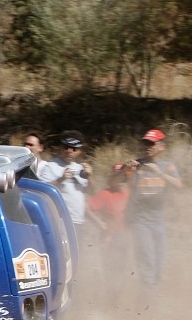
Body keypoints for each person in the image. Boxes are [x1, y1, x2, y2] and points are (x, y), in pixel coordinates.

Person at [124, 128, 183, 288]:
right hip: (140, 222)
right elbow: (115, 182)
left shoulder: (168, 166)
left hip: (159, 222)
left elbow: (179, 185)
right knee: (147, 265)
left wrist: (159, 173)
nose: (147, 147)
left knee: (158, 268)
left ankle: (148, 297)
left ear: (161, 146)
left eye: (151, 143)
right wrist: (126, 170)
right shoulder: (136, 165)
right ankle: (149, 302)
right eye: (145, 143)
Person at [88, 163, 132, 299]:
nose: (121, 179)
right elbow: (87, 209)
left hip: (124, 236)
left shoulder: (128, 193)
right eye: (118, 176)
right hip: (109, 237)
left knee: (123, 268)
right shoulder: (105, 194)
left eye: (124, 177)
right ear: (112, 178)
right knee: (110, 268)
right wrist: (100, 223)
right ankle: (110, 300)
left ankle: (119, 298)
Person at [39, 132, 92, 228]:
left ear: (79, 151)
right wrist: (61, 179)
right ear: (60, 148)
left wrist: (89, 176)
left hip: (78, 220)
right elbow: (42, 191)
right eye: (66, 147)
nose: (69, 151)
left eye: (74, 149)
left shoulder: (81, 168)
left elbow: (91, 192)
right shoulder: (50, 166)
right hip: (60, 220)